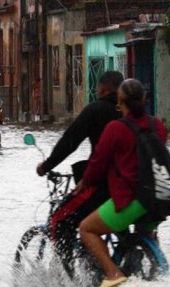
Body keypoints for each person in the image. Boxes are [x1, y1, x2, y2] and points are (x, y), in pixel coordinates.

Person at [77, 78, 168, 287]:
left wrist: (84, 182)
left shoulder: (116, 128)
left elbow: (98, 163)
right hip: (161, 199)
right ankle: (152, 271)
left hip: (134, 199)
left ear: (120, 102)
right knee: (144, 231)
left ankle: (113, 274)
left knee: (86, 229)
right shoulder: (158, 125)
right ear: (144, 99)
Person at [35, 70, 124, 268]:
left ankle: (67, 279)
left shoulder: (96, 110)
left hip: (103, 186)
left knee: (59, 220)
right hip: (133, 188)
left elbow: (70, 142)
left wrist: (46, 166)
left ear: (101, 88)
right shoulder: (134, 114)